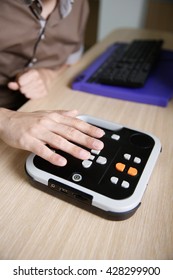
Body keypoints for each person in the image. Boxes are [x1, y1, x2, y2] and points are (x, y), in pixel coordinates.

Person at [0, 0, 104, 166]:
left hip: (39, 106)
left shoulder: (80, 5)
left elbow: (71, 58)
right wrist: (5, 120)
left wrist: (48, 74)